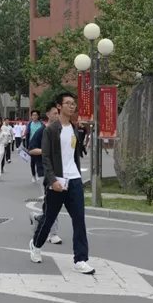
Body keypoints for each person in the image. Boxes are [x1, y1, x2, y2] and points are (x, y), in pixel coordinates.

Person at [29, 93, 94, 274]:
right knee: (48, 219)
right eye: (68, 103)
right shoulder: (50, 129)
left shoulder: (74, 128)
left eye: (73, 104)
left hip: (74, 180)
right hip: (57, 182)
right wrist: (52, 180)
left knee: (79, 220)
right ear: (59, 106)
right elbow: (46, 157)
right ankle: (36, 244)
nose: (72, 106)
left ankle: (80, 259)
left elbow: (74, 154)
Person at [27, 103, 61, 244]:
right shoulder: (42, 131)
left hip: (59, 172)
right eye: (55, 113)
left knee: (52, 202)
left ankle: (38, 217)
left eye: (58, 113)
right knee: (52, 202)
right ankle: (53, 233)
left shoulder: (61, 130)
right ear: (48, 115)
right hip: (44, 171)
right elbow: (31, 149)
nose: (57, 116)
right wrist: (45, 151)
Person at [25, 110, 43, 183]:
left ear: (38, 116)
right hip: (32, 144)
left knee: (39, 160)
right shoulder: (29, 124)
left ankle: (38, 174)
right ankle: (33, 175)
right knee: (33, 161)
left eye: (36, 115)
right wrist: (27, 146)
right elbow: (27, 134)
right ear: (31, 116)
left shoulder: (41, 124)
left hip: (39, 144)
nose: (35, 116)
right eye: (33, 115)